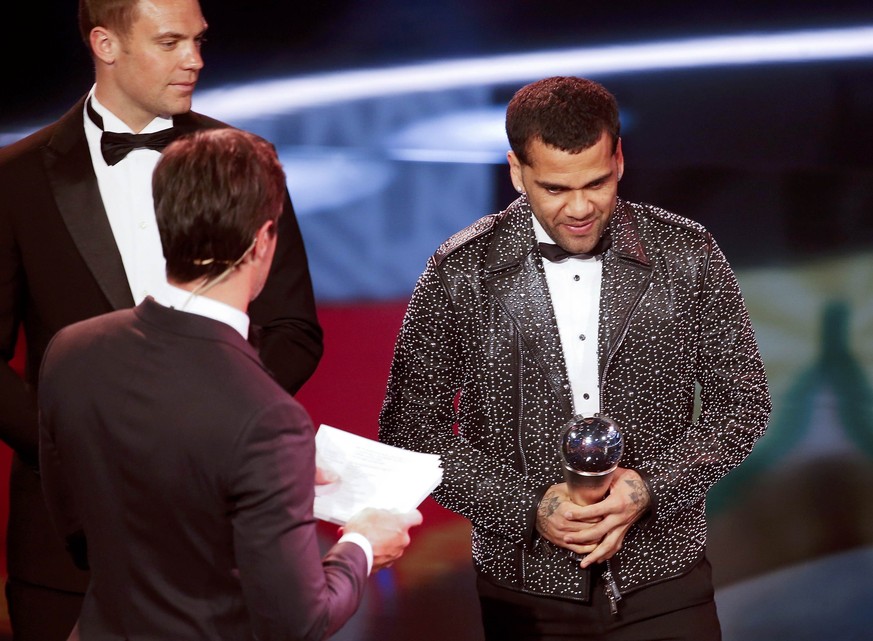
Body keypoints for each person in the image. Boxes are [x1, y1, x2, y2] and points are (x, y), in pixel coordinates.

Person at [379, 76, 772, 640]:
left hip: (665, 580)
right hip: (526, 590)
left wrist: (647, 489)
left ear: (619, 159)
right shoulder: (462, 270)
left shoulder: (687, 253)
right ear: (517, 171)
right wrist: (529, 508)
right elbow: (410, 430)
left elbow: (744, 405)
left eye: (597, 182)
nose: (582, 207)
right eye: (556, 189)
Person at [0, 1, 323, 638]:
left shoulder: (244, 164)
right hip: (68, 555)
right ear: (105, 43)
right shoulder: (14, 180)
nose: (195, 60)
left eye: (199, 41)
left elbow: (294, 331)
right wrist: (74, 441)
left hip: (218, 549)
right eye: (171, 42)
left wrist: (214, 426)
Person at [37, 127, 422, 641]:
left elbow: (78, 531)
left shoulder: (71, 350)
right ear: (263, 241)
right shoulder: (265, 417)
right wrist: (362, 545)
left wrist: (263, 482)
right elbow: (299, 621)